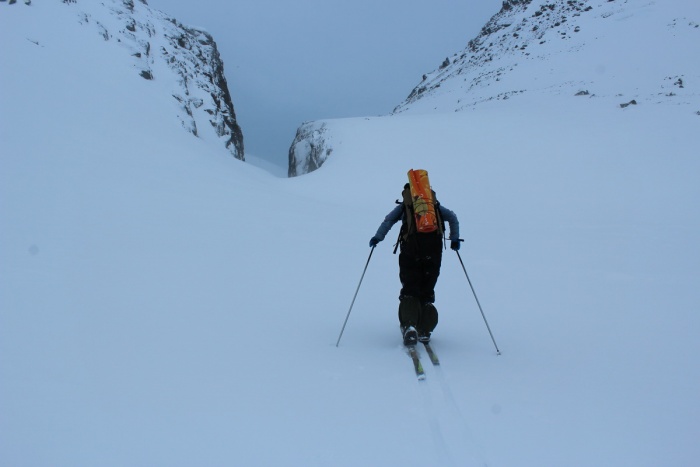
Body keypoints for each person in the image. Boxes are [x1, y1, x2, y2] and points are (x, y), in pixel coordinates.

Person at [369, 182, 460, 346]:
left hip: (410, 252)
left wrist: (377, 238)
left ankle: (410, 326)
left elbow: (388, 220)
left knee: (410, 289)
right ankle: (425, 329)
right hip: (433, 253)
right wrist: (454, 239)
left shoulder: (406, 206)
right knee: (427, 292)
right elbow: (452, 217)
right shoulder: (434, 206)